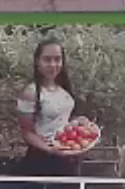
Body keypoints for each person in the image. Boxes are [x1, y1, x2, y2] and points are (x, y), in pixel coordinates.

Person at [15, 38, 82, 177]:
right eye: (47, 59)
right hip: (41, 160)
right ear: (37, 61)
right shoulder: (30, 92)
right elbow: (27, 133)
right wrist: (49, 149)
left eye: (57, 59)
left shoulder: (64, 89)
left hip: (66, 155)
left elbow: (62, 121)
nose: (53, 64)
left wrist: (78, 123)